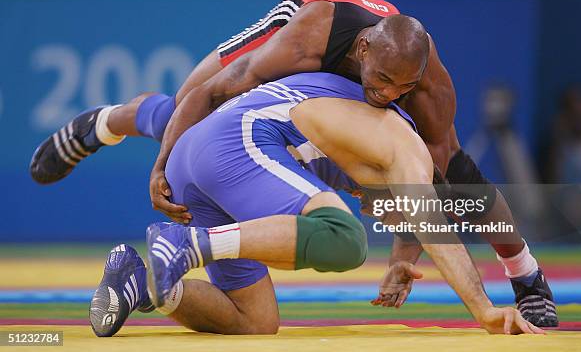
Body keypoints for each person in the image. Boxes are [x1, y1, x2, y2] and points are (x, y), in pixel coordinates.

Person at [31, 0, 556, 326]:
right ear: (364, 52)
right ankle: (106, 122)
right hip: (307, 15)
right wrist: (161, 165)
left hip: (311, 125)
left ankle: (528, 275)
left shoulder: (422, 87)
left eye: (401, 90)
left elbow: (437, 185)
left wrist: (404, 259)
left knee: (459, 178)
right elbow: (211, 92)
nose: (387, 95)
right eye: (380, 83)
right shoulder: (313, 32)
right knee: (189, 111)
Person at [90, 72, 543, 337]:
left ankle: (147, 283)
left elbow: (411, 216)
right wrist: (484, 310)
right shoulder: (404, 146)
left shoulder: (359, 123)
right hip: (236, 146)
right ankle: (190, 245)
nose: (381, 212)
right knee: (344, 238)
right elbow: (428, 221)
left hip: (204, 159)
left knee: (256, 320)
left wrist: (402, 261)